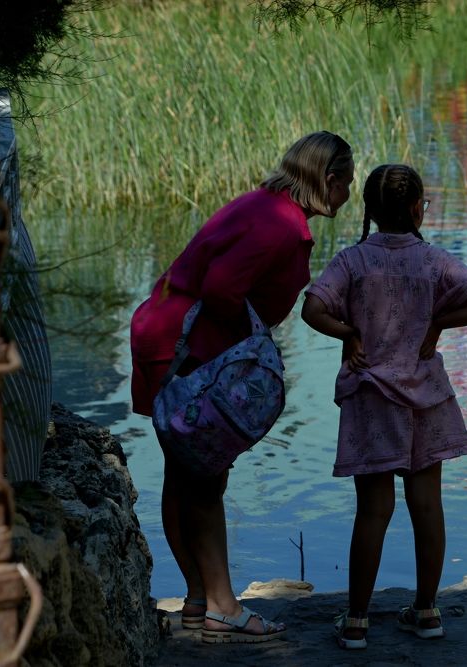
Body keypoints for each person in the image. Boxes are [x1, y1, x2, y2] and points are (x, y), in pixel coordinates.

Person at [130, 131, 354, 643]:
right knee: (205, 478)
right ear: (331, 180)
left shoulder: (262, 205)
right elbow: (222, 289)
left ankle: (197, 598)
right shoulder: (281, 227)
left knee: (184, 473)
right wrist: (244, 356)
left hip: (164, 330)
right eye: (347, 183)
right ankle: (223, 607)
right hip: (190, 346)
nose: (348, 195)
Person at [302, 164, 467, 650]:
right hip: (426, 398)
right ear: (417, 209)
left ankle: (356, 621)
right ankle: (427, 611)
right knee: (427, 504)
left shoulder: (351, 262)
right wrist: (436, 324)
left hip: (371, 396)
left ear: (367, 209)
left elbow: (312, 309)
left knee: (373, 510)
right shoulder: (434, 261)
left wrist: (348, 333)